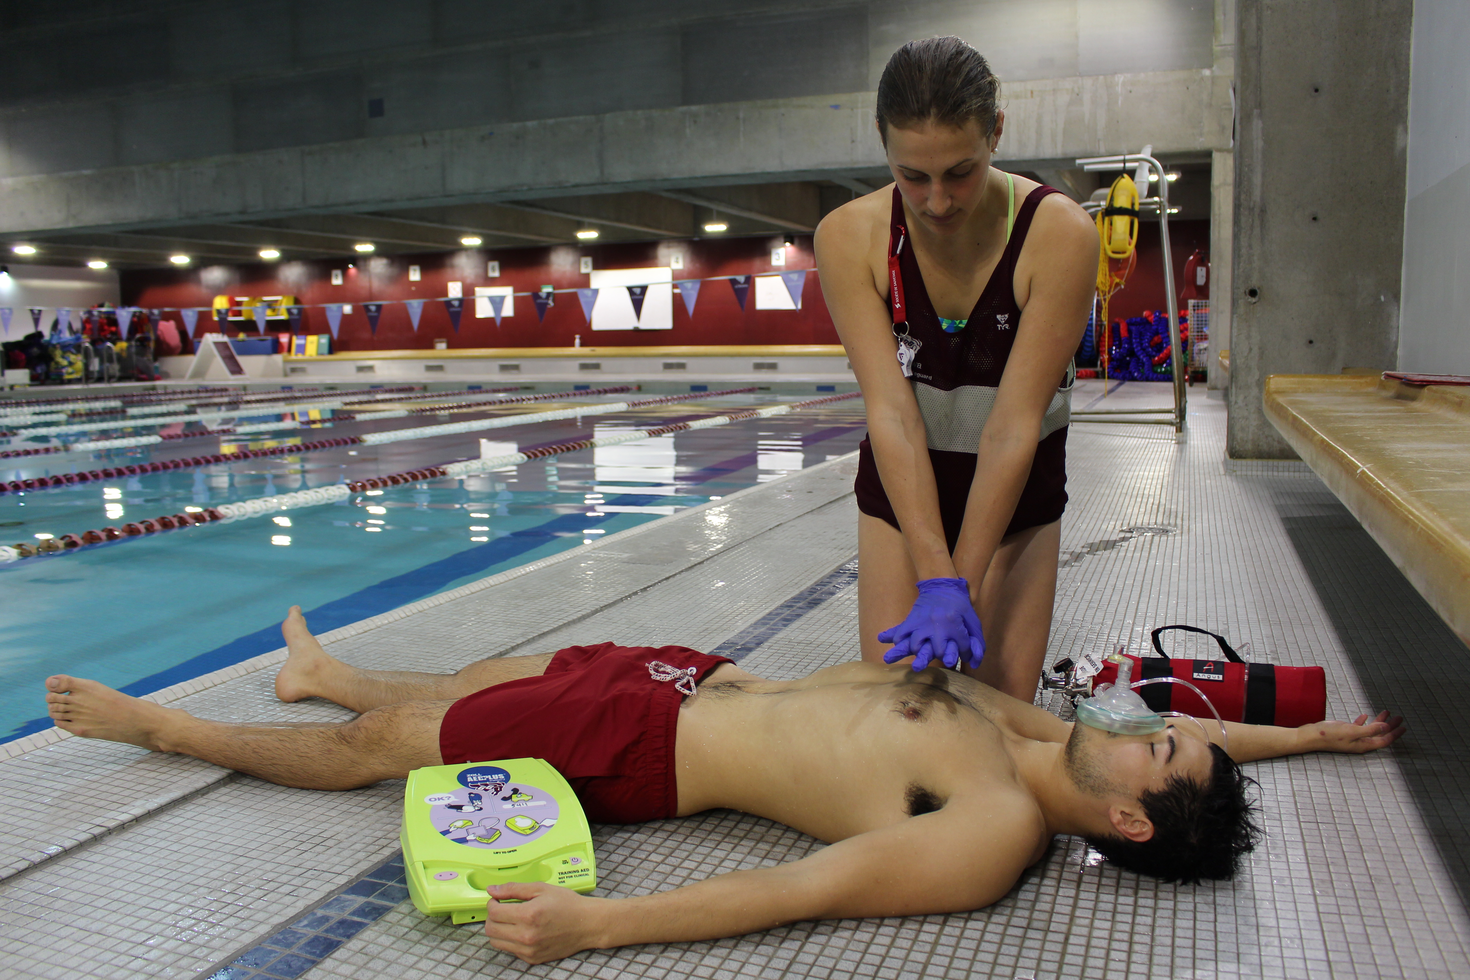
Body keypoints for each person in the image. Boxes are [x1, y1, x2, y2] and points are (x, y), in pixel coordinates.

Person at [44, 607, 1404, 965]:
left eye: (1161, 751)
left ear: (1126, 817)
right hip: (689, 675)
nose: (1146, 722)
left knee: (391, 755)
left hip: (652, 755)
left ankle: (166, 731)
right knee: (467, 686)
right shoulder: (1034, 736)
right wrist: (1312, 738)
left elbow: (800, 889)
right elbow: (1186, 740)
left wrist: (596, 926)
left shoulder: (991, 827)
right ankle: (331, 676)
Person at [814, 37, 1098, 700]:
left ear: (996, 132)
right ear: (882, 142)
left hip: (1015, 488)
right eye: (913, 176)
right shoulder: (849, 237)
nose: (937, 201)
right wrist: (935, 577)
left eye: (960, 172)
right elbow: (889, 412)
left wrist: (960, 583)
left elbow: (1013, 425)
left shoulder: (1058, 234)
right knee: (904, 711)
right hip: (904, 487)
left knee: (993, 713)